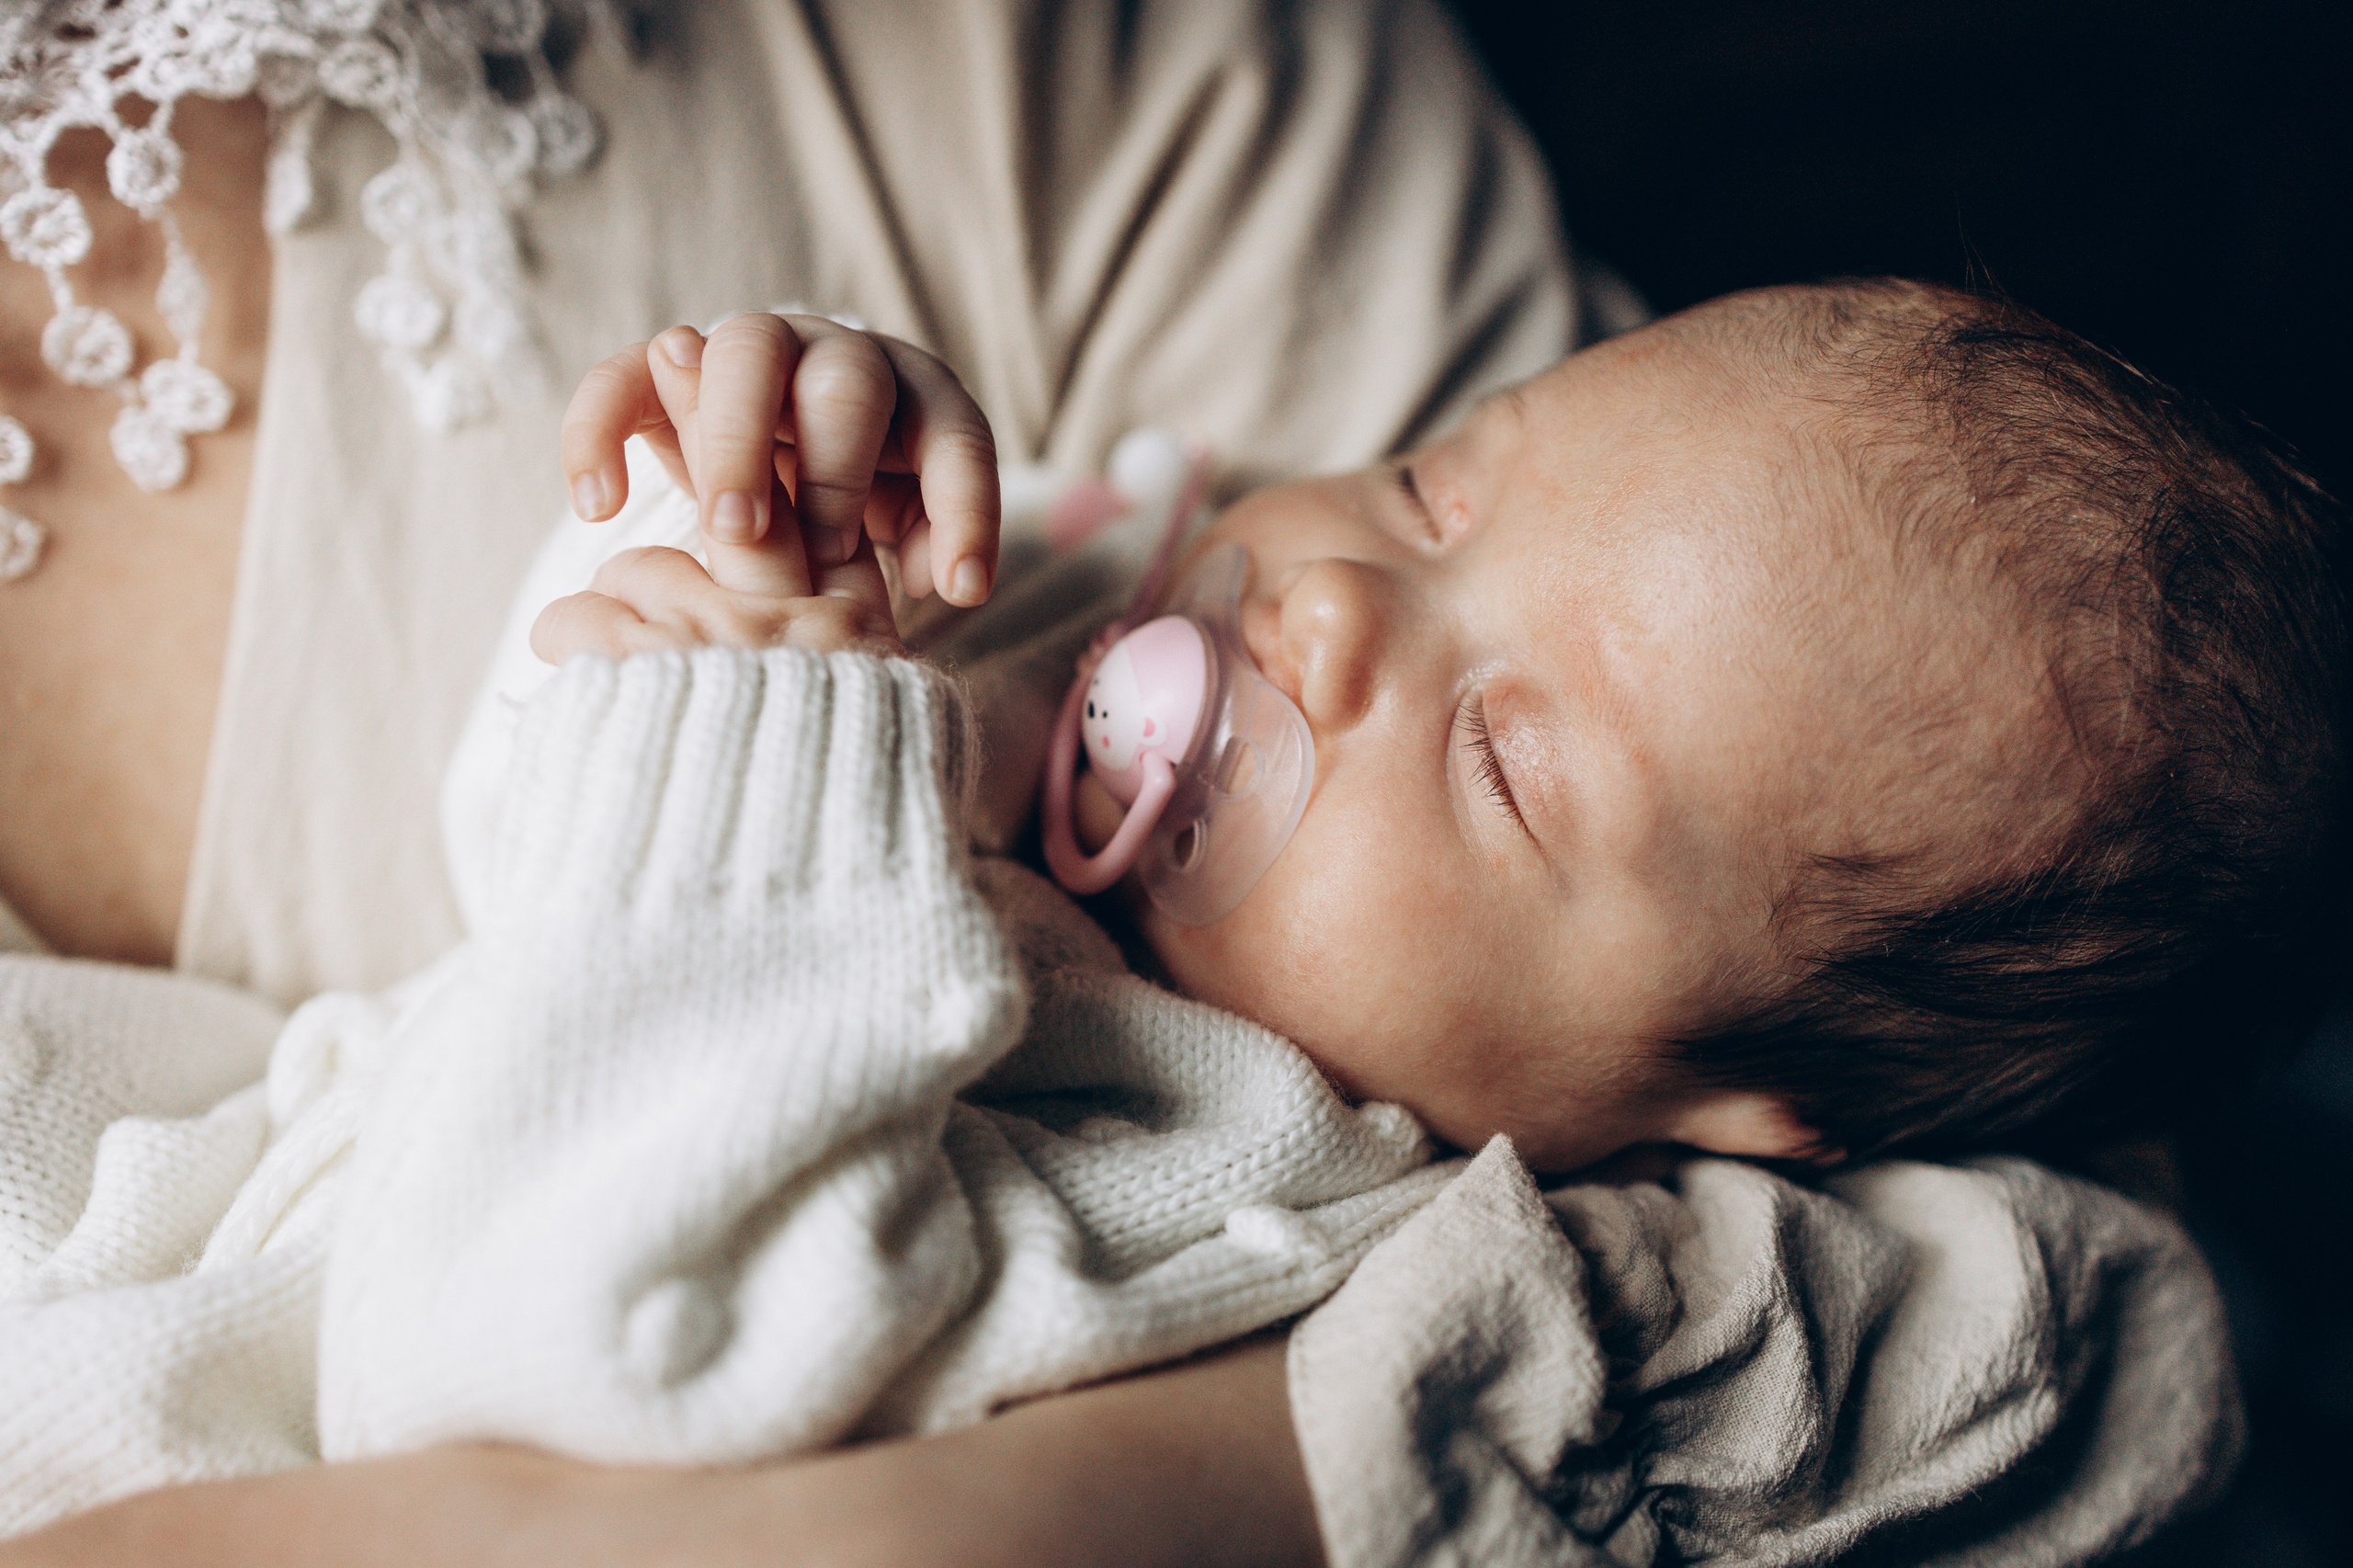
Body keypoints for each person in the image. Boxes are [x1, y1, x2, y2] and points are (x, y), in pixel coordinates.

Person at [0, 1, 1581, 1561]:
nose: (1346, 602)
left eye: (1505, 761)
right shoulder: (1080, 603)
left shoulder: (1303, 1209)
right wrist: (754, 579)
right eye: (1423, 491)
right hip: (186, 1184)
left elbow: (594, 1337)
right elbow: (521, 836)